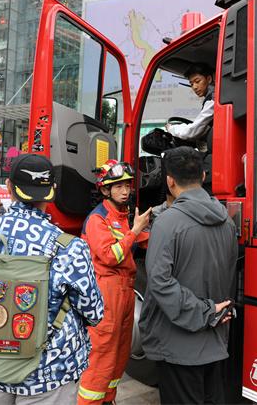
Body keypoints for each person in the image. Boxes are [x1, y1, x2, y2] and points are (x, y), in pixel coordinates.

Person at [0, 154, 104, 403]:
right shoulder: (68, 246)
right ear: (52, 190)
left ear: (9, 187)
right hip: (48, 371)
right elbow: (94, 313)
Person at [139, 147, 238, 404]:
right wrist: (213, 313)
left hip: (177, 346)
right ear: (203, 176)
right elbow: (229, 274)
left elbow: (159, 282)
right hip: (216, 341)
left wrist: (204, 312)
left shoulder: (167, 223)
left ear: (170, 181)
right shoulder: (227, 222)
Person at [78, 159, 152, 404]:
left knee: (120, 352)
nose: (125, 191)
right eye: (118, 186)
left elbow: (138, 239)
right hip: (106, 291)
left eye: (127, 185)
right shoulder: (97, 219)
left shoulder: (122, 216)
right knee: (103, 353)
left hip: (125, 289)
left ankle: (108, 399)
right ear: (105, 190)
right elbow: (110, 256)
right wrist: (136, 230)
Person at [165, 63, 214, 149]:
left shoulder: (213, 100)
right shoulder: (212, 98)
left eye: (197, 81)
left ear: (209, 79)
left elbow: (192, 132)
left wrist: (171, 128)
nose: (194, 87)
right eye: (191, 84)